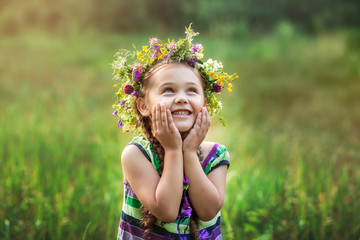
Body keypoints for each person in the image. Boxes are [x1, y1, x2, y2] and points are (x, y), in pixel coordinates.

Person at [112, 24, 238, 240]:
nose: (181, 98)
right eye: (168, 90)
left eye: (192, 90)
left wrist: (189, 153)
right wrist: (173, 149)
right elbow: (167, 211)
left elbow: (209, 210)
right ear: (143, 106)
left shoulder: (216, 155)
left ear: (204, 103)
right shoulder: (136, 155)